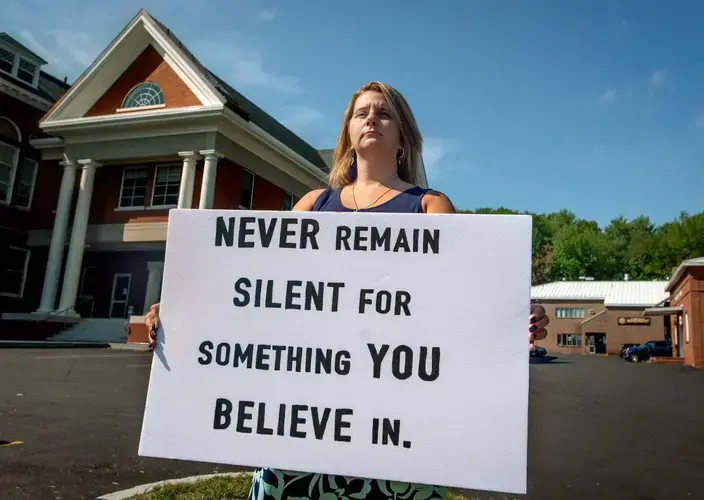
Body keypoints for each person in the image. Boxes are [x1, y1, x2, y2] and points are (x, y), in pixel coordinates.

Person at [144, 81, 550, 500]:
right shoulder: (314, 204)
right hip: (304, 429)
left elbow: (467, 294)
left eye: (384, 113)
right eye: (362, 113)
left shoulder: (430, 206)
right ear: (348, 133)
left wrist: (516, 313)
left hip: (396, 433)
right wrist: (180, 308)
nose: (371, 118)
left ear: (404, 137)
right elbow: (259, 289)